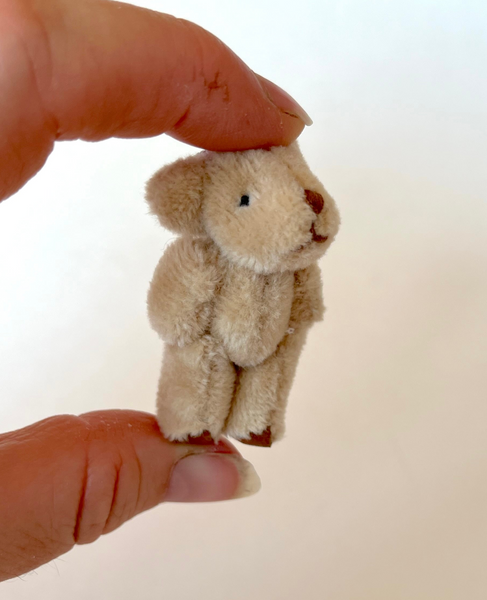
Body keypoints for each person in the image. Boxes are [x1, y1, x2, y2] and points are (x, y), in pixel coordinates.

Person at [0, 0, 310, 582]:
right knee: (198, 372)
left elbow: (305, 312)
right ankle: (191, 423)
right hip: (207, 339)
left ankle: (256, 421)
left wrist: (298, 321)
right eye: (248, 201)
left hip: (270, 344)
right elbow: (172, 306)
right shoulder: (200, 251)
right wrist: (184, 322)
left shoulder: (295, 271)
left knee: (269, 376)